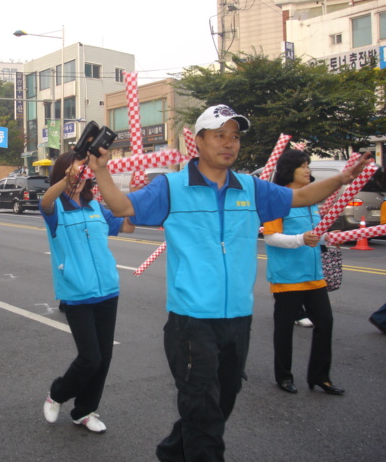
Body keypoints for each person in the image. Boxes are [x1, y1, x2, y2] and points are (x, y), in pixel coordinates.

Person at [87, 104, 371, 462]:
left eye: (235, 136)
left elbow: (299, 197)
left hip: (238, 317)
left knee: (221, 402)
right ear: (199, 142)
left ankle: (172, 452)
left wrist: (342, 179)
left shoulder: (251, 188)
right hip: (192, 320)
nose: (229, 143)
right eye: (220, 135)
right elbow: (123, 206)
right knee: (203, 410)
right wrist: (101, 172)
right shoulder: (172, 187)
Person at [39, 152, 134, 434]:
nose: (77, 178)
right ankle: (57, 393)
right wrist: (65, 179)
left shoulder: (96, 207)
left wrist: (134, 203)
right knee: (90, 357)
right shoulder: (55, 207)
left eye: (80, 172)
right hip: (77, 292)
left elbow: (127, 225)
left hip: (108, 290)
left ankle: (84, 411)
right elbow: (45, 201)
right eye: (71, 173)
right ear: (61, 175)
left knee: (104, 359)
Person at [263, 149, 344, 396]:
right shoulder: (278, 199)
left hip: (314, 276)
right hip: (287, 278)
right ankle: (284, 376)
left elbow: (315, 234)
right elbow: (271, 237)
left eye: (308, 165)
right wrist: (301, 239)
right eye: (303, 166)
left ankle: (320, 376)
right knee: (284, 329)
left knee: (326, 323)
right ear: (290, 170)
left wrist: (327, 239)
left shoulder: (312, 201)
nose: (308, 170)